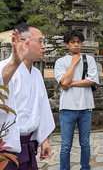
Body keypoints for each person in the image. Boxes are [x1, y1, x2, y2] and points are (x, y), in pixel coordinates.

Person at [0, 23, 55, 169]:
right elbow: (1, 84)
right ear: (24, 42)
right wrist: (14, 63)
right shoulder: (4, 68)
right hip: (6, 147)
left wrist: (44, 139)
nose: (44, 46)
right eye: (40, 41)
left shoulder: (36, 73)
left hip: (29, 143)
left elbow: (42, 107)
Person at [54, 29, 99, 170]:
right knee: (66, 144)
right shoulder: (61, 62)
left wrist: (71, 83)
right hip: (67, 108)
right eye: (72, 42)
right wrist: (73, 63)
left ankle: (85, 167)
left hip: (85, 107)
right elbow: (62, 81)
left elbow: (92, 80)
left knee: (85, 143)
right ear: (67, 44)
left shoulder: (89, 59)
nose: (76, 45)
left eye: (78, 42)